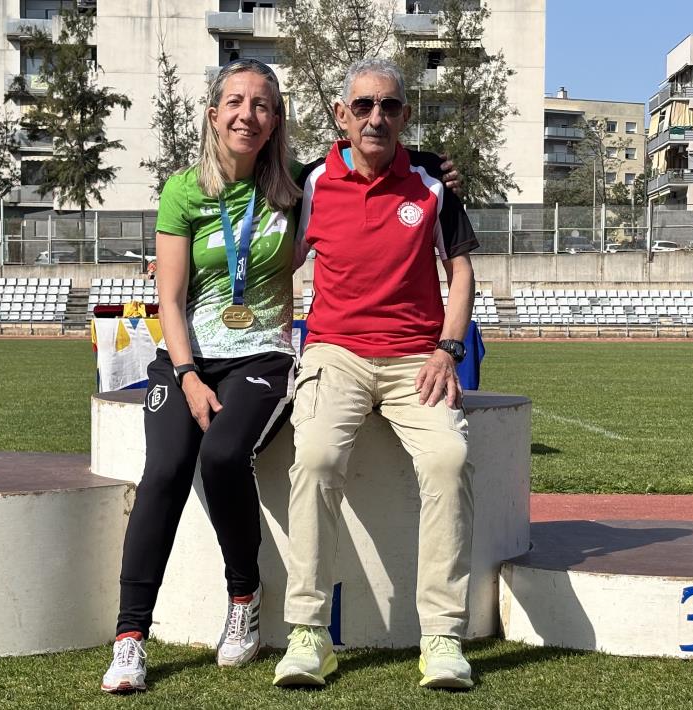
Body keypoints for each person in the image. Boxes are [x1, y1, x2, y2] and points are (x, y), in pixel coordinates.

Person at [99, 58, 461, 694]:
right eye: (235, 103)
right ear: (214, 114)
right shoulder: (198, 189)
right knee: (164, 474)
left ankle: (253, 600)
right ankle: (133, 637)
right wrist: (185, 373)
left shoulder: (295, 181)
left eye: (262, 105)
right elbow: (171, 300)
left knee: (224, 456)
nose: (248, 115)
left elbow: (379, 150)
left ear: (277, 121)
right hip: (204, 356)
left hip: (273, 357)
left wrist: (434, 161)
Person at [273, 58, 478, 691]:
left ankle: (442, 637)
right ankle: (309, 634)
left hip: (418, 356)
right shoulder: (310, 184)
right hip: (335, 353)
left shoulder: (433, 184)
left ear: (405, 116)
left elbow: (462, 272)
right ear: (341, 115)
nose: (375, 117)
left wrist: (448, 347)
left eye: (389, 106)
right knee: (313, 456)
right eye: (362, 106)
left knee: (448, 456)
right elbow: (272, 259)